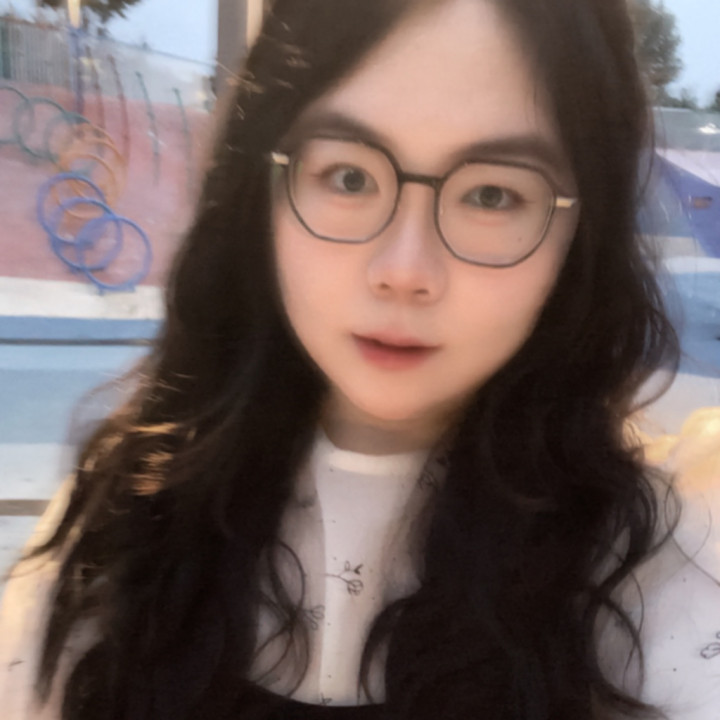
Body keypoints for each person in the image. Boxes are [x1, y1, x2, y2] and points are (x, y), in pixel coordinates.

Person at [1, 0, 719, 718]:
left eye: (491, 195)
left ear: (581, 230)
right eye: (348, 177)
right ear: (262, 189)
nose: (403, 270)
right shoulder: (128, 515)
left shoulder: (654, 579)